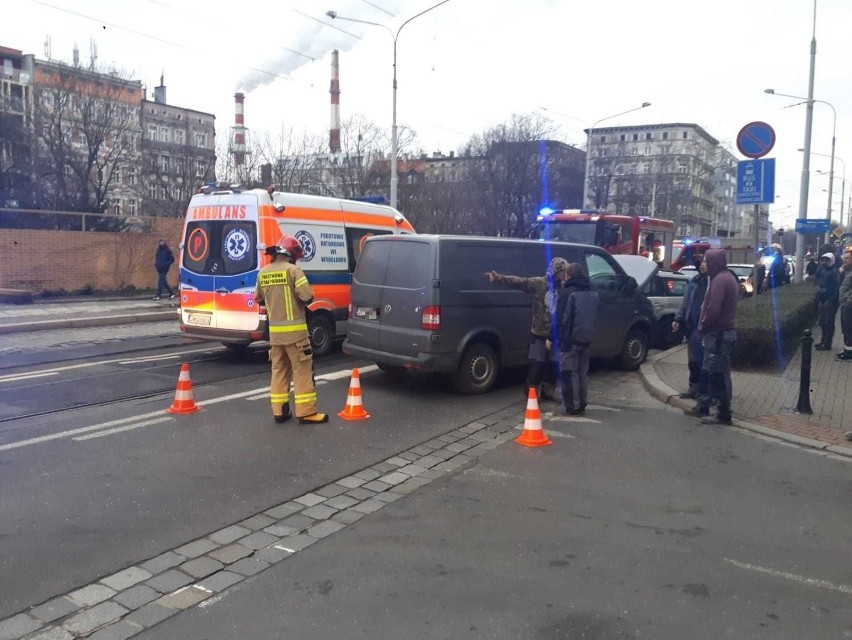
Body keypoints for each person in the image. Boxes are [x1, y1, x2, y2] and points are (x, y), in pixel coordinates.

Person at [254, 235, 329, 425]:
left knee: (278, 370)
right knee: (302, 370)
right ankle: (306, 413)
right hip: (296, 335)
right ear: (292, 255)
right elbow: (306, 296)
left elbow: (258, 298)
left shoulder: (263, 273)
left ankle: (279, 411)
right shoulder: (294, 271)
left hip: (275, 336)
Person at [487, 257, 569, 399]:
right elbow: (520, 282)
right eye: (563, 272)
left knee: (554, 365)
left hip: (556, 334)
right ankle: (531, 391)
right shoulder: (539, 283)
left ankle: (548, 389)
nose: (565, 275)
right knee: (538, 364)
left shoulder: (563, 288)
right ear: (557, 272)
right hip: (539, 332)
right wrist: (499, 278)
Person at [684, 248, 739, 425]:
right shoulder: (724, 277)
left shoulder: (720, 281)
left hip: (718, 334)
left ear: (714, 262)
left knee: (718, 374)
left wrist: (702, 325)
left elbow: (713, 309)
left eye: (707, 261)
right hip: (718, 334)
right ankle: (703, 406)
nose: (703, 264)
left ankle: (723, 413)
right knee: (708, 371)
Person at [555, 262, 599, 416]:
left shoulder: (568, 293)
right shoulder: (592, 292)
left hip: (571, 339)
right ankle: (582, 401)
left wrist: (557, 337)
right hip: (588, 338)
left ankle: (571, 405)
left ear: (569, 275)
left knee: (569, 372)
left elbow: (561, 318)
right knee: (582, 372)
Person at [672, 256, 709, 399]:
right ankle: (693, 387)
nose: (702, 265)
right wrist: (678, 318)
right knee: (693, 360)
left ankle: (706, 390)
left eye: (706, 262)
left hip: (707, 328)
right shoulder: (695, 281)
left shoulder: (714, 282)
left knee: (706, 361)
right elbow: (686, 301)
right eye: (702, 262)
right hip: (693, 326)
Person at [813, 253, 840, 351]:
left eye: (826, 260)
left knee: (828, 322)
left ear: (831, 261)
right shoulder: (823, 271)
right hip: (823, 300)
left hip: (830, 301)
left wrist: (831, 300)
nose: (824, 262)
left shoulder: (834, 272)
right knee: (822, 322)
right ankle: (823, 341)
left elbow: (837, 288)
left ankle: (827, 343)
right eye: (822, 260)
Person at [833, 250, 852, 361]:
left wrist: (849, 301)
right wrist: (840, 273)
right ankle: (847, 349)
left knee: (849, 328)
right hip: (844, 303)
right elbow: (840, 285)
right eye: (844, 258)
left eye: (847, 258)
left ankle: (849, 353)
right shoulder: (846, 271)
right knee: (845, 327)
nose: (844, 260)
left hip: (849, 304)